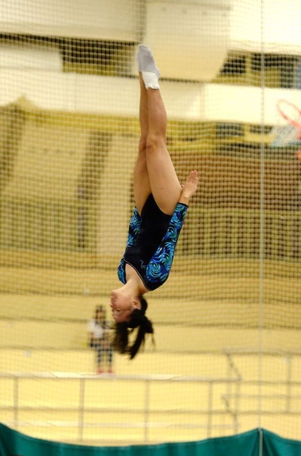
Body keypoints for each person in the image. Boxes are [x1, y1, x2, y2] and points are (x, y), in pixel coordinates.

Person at [111, 44, 198, 359]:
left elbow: (133, 235)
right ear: (135, 305)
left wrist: (138, 205)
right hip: (165, 209)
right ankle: (152, 81)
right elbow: (169, 239)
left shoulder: (122, 273)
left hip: (145, 206)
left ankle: (142, 77)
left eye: (113, 312)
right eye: (119, 311)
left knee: (142, 144)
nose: (113, 307)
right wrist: (184, 199)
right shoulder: (154, 278)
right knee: (155, 144)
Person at [87, 305, 114, 374]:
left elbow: (107, 335)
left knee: (110, 348)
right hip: (94, 342)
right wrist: (100, 341)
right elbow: (91, 337)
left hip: (103, 341)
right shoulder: (92, 322)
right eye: (99, 312)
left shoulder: (106, 322)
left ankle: (110, 368)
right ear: (96, 313)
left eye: (101, 312)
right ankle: (99, 367)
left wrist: (106, 342)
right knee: (100, 347)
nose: (100, 314)